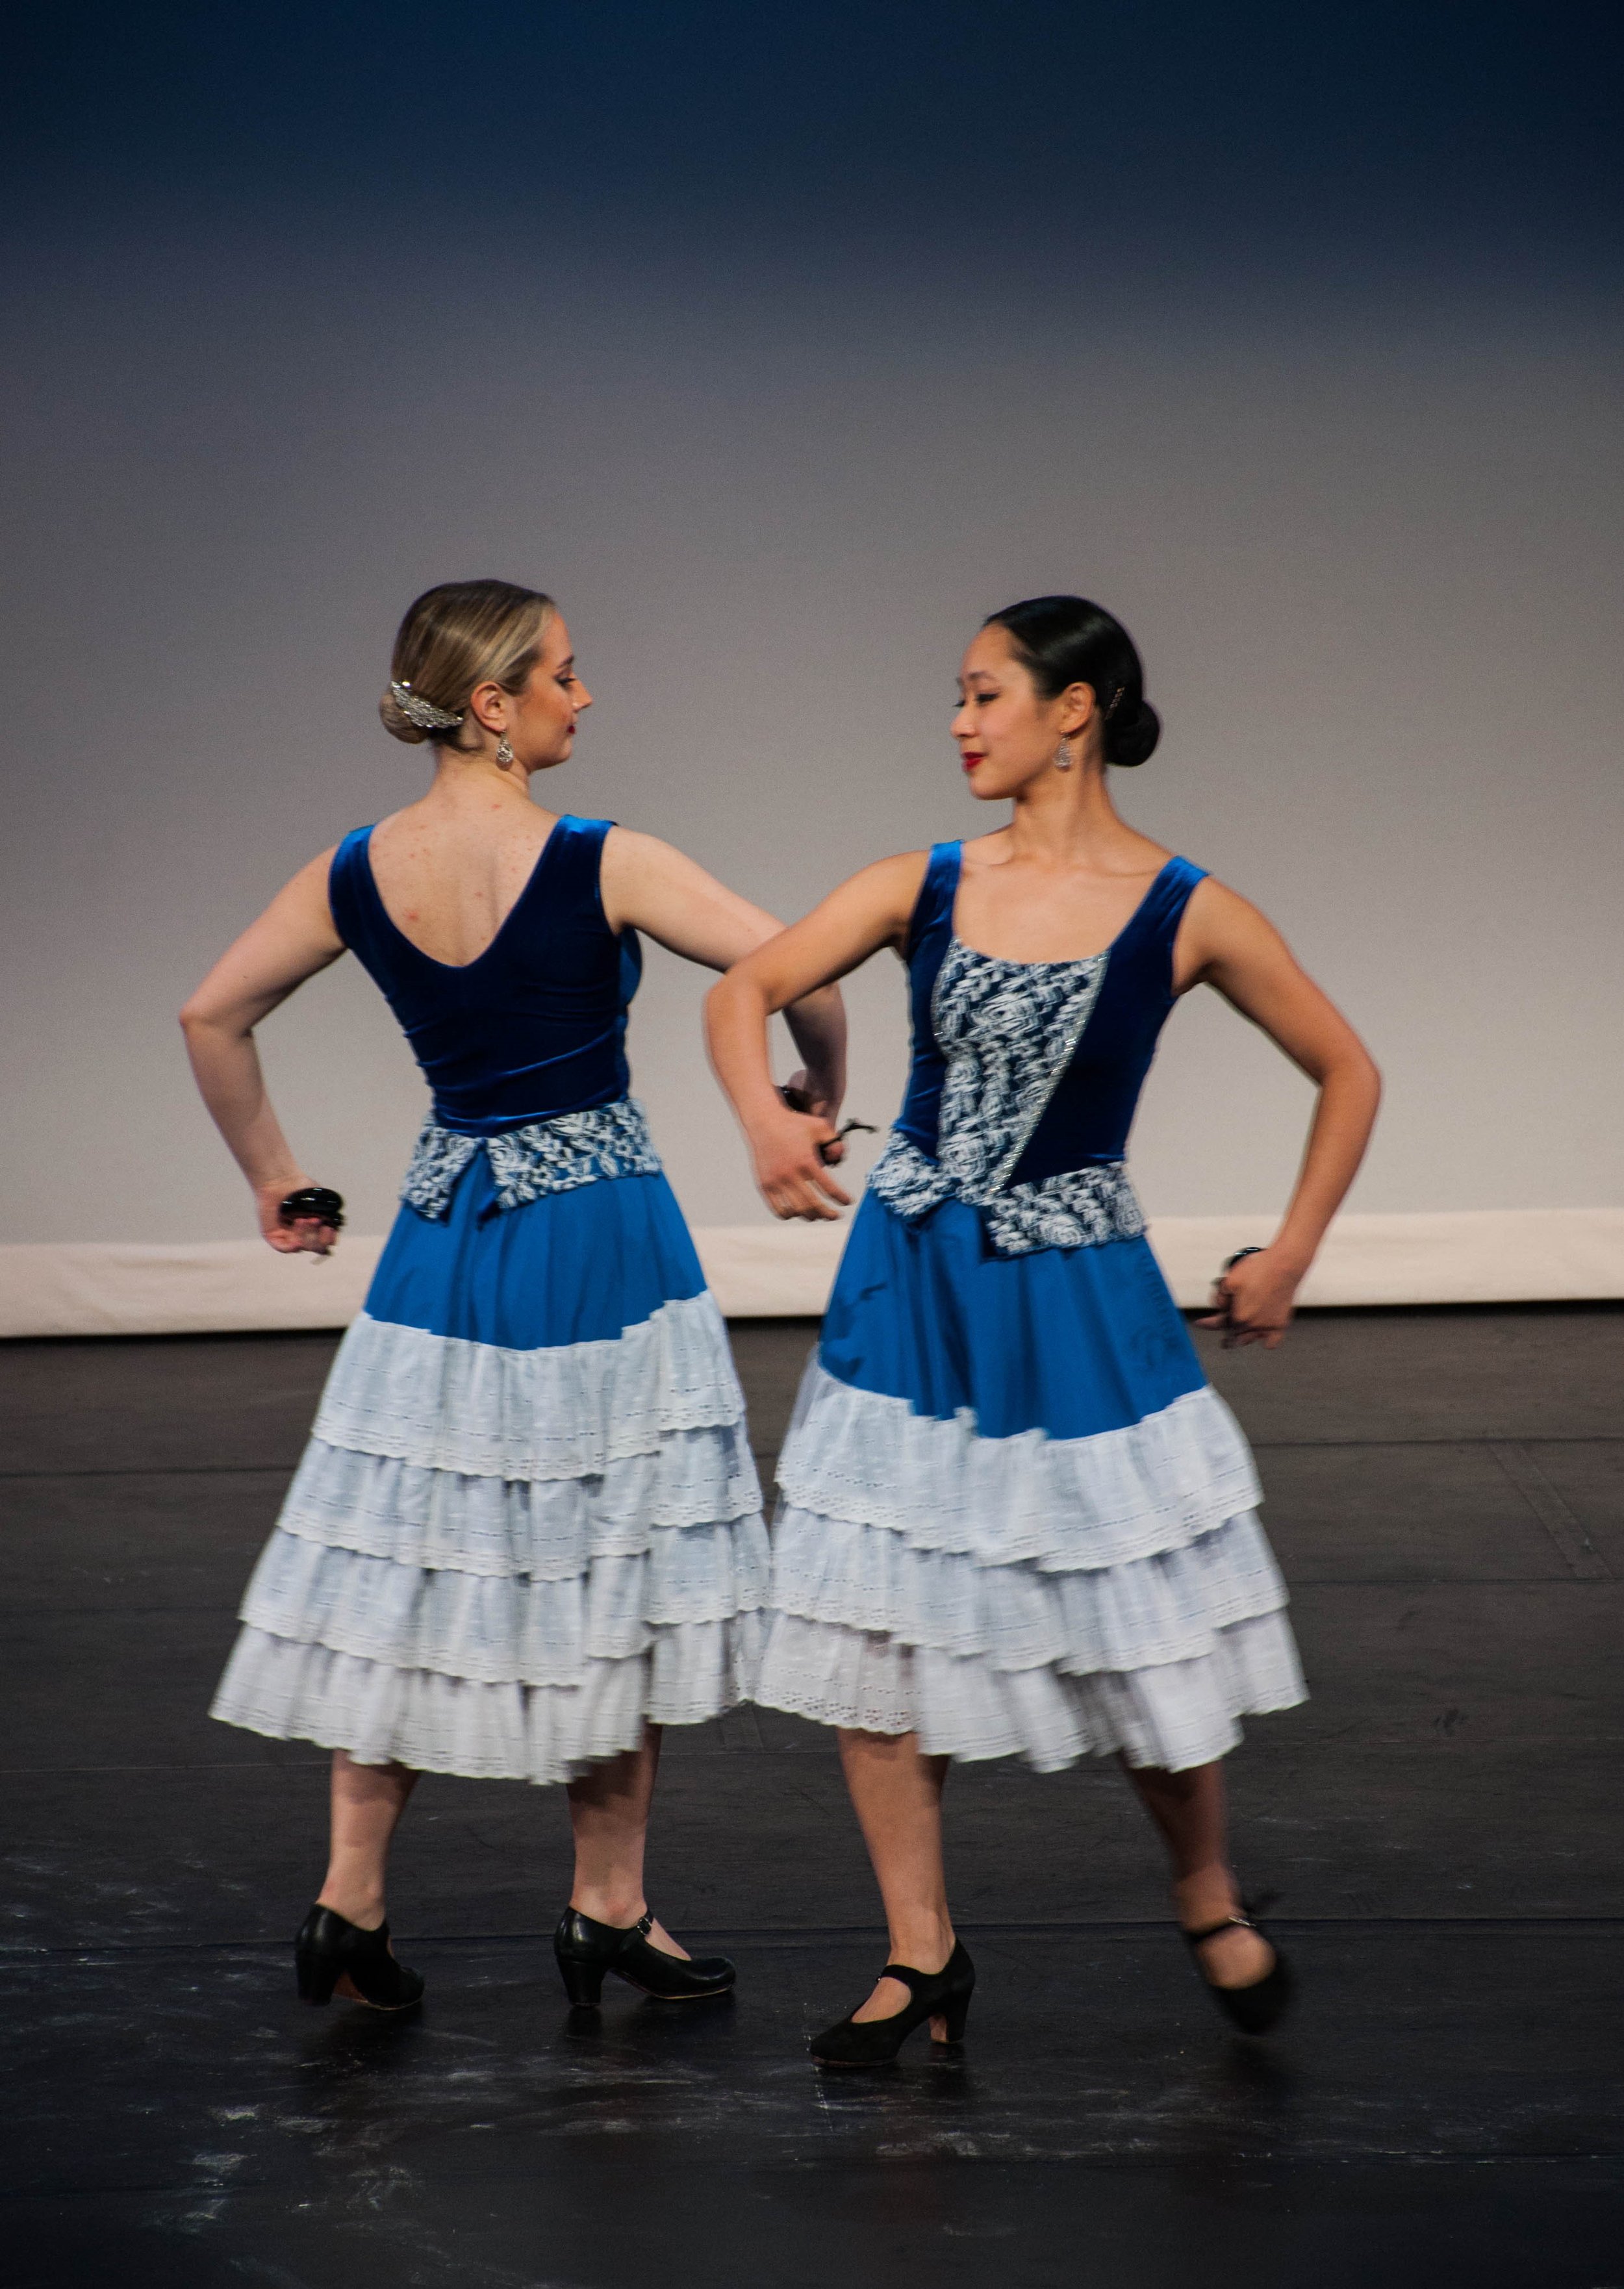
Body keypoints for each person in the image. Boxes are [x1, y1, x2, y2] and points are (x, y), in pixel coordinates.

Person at [705, 594, 1380, 2065]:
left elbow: (1346, 1067)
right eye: (955, 697)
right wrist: (764, 1115)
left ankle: (1203, 1893)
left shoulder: (1184, 907)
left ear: (1073, 709)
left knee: (1135, 1612)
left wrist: (1291, 1252)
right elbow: (749, 986)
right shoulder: (925, 880)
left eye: (983, 694)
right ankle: (919, 1950)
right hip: (914, 1286)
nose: (959, 723)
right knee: (879, 1611)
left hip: (1074, 1294)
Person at [183, 579, 844, 2014]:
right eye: (564, 671)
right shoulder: (606, 859)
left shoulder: (353, 870)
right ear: (493, 704)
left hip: (448, 1237)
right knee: (615, 1554)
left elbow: (211, 1013)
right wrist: (818, 1090)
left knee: (416, 1550)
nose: (582, 695)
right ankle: (607, 1903)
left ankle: (350, 1898)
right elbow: (805, 968)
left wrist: (277, 1179)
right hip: (600, 1239)